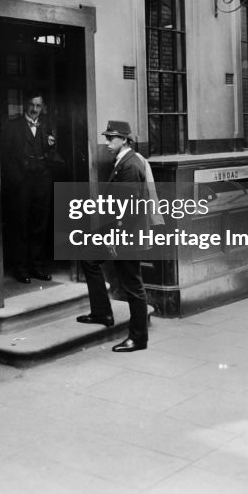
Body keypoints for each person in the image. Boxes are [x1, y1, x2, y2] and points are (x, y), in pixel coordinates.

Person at [77, 120, 151, 353]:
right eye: (107, 137)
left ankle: (138, 338)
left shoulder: (129, 165)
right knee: (88, 256)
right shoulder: (126, 161)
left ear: (125, 140)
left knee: (132, 284)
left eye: (112, 138)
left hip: (126, 233)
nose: (107, 142)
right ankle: (102, 312)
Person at [2, 91, 58, 283]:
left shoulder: (47, 125)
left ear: (42, 107)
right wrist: (16, 179)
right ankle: (21, 269)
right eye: (32, 105)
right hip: (21, 183)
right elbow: (6, 156)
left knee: (39, 224)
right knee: (20, 224)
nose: (35, 110)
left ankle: (37, 267)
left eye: (38, 106)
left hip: (42, 181)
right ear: (26, 105)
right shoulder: (13, 126)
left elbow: (52, 151)